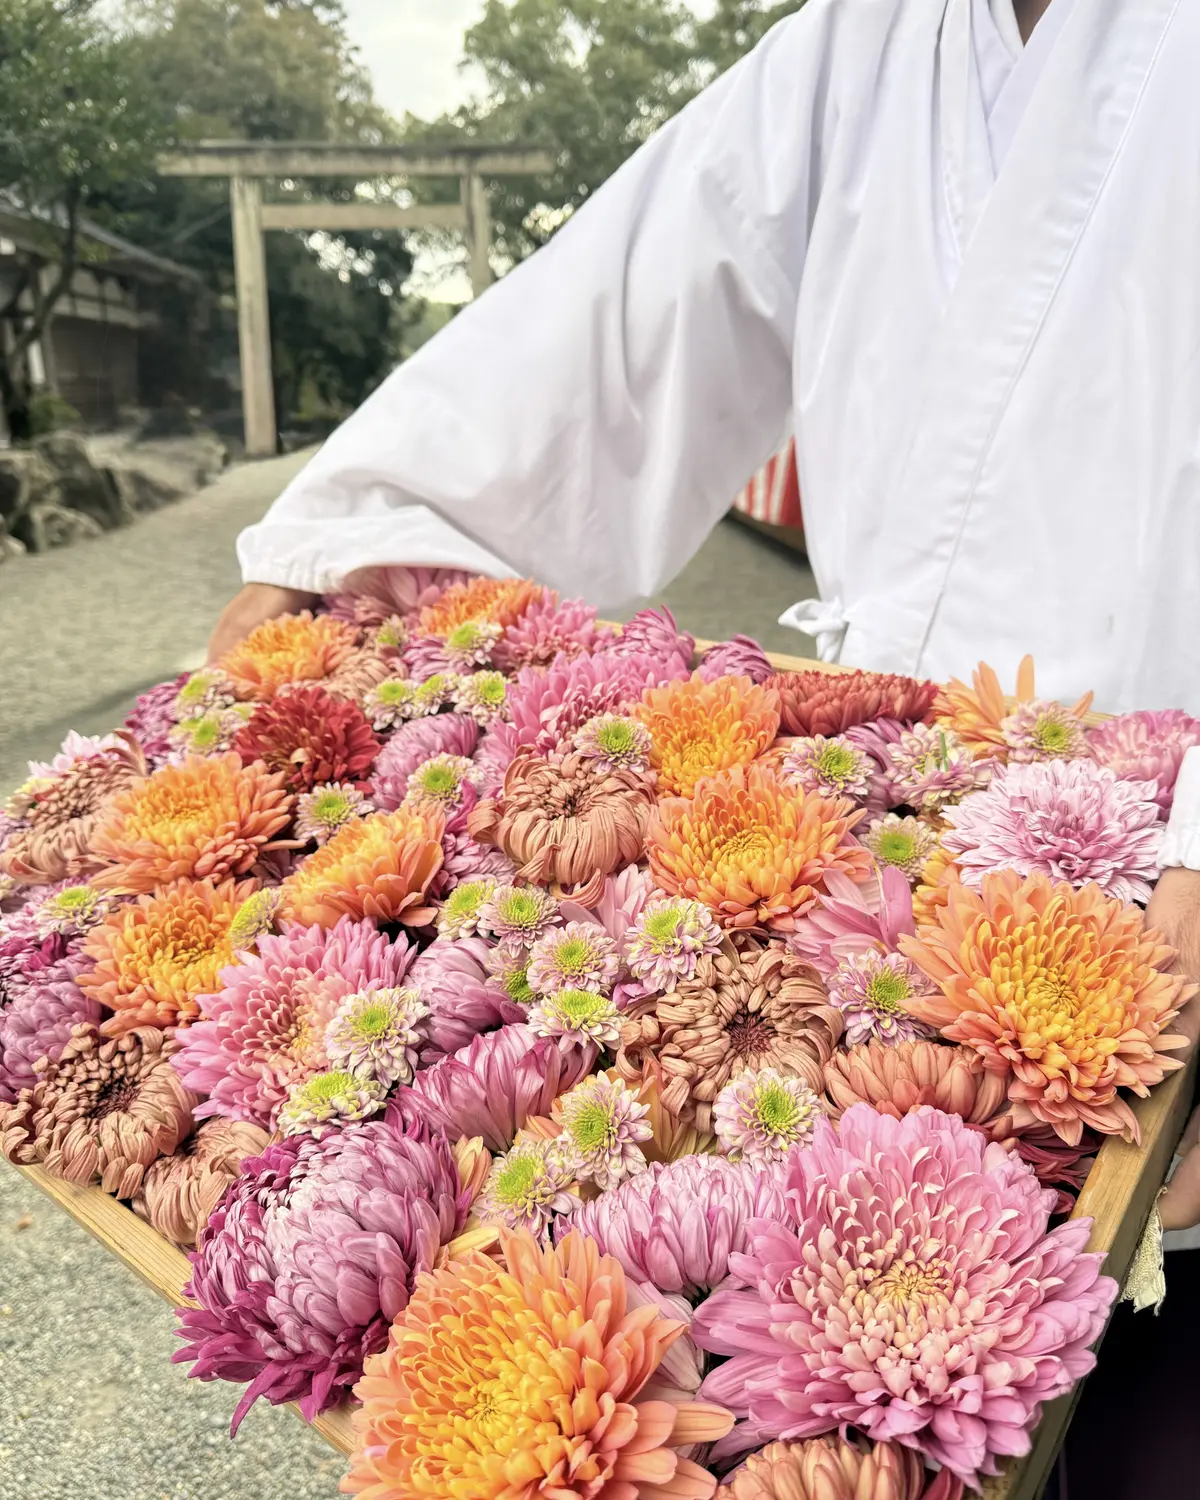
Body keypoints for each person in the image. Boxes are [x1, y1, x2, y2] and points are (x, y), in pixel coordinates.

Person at [210, 0, 1200, 1251]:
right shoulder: (864, 44)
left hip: (1157, 891)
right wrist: (352, 542)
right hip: (886, 861)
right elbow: (610, 333)